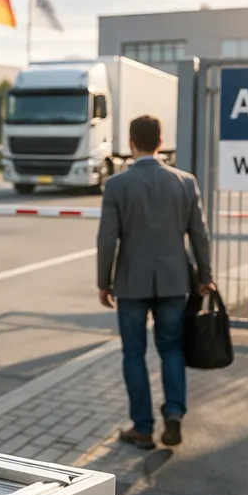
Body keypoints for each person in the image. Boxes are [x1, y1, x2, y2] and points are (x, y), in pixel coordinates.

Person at [95, 114, 214, 451]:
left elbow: (107, 240)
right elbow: (199, 236)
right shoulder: (185, 182)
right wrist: (205, 277)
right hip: (175, 281)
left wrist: (104, 282)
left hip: (131, 283)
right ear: (160, 143)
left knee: (133, 353)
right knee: (171, 348)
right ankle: (174, 413)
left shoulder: (117, 185)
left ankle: (143, 428)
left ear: (132, 143)